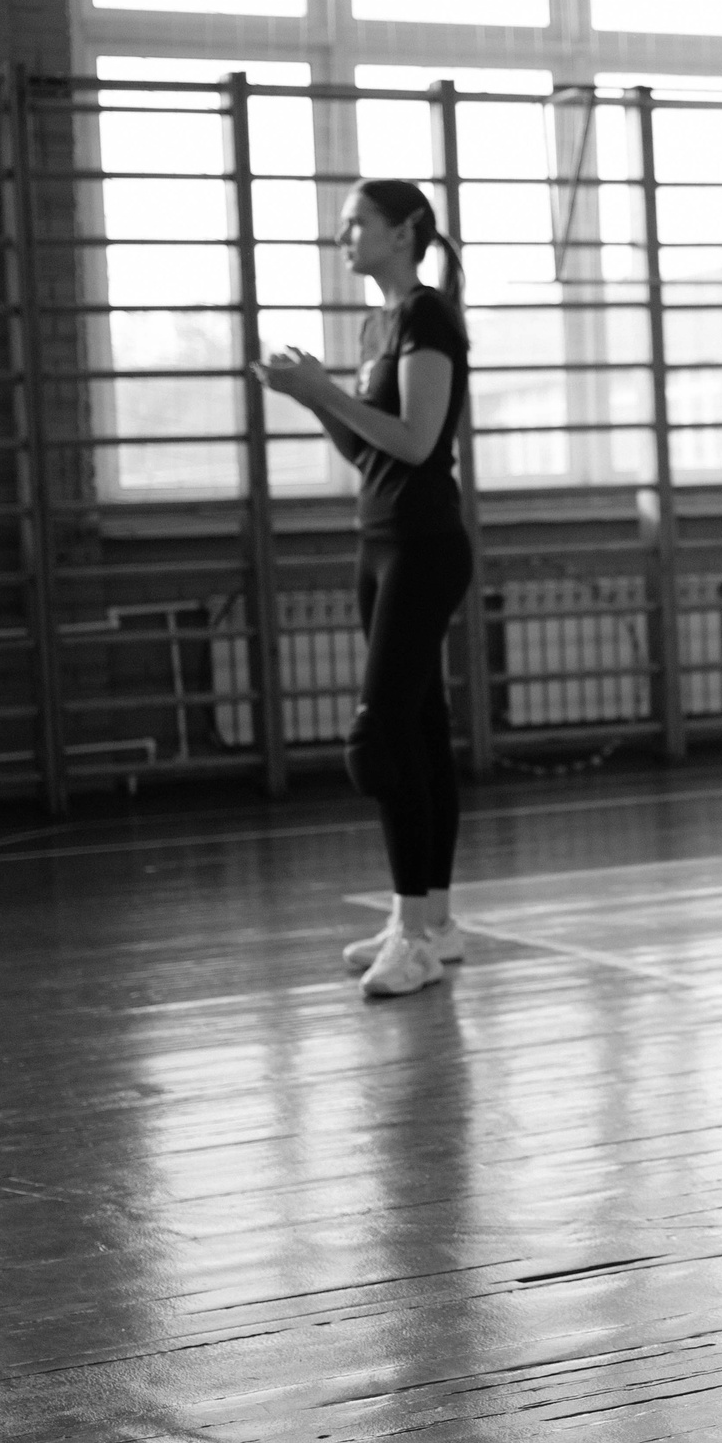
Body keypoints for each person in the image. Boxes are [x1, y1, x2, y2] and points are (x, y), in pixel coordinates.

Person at [252, 179, 474, 1001]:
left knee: (376, 741)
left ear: (404, 231)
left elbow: (416, 441)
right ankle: (430, 921)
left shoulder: (427, 317)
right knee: (420, 734)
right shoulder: (377, 325)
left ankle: (412, 936)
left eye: (357, 224)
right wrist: (315, 399)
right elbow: (367, 449)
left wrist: (324, 391)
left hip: (424, 545)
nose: (343, 236)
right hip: (377, 541)